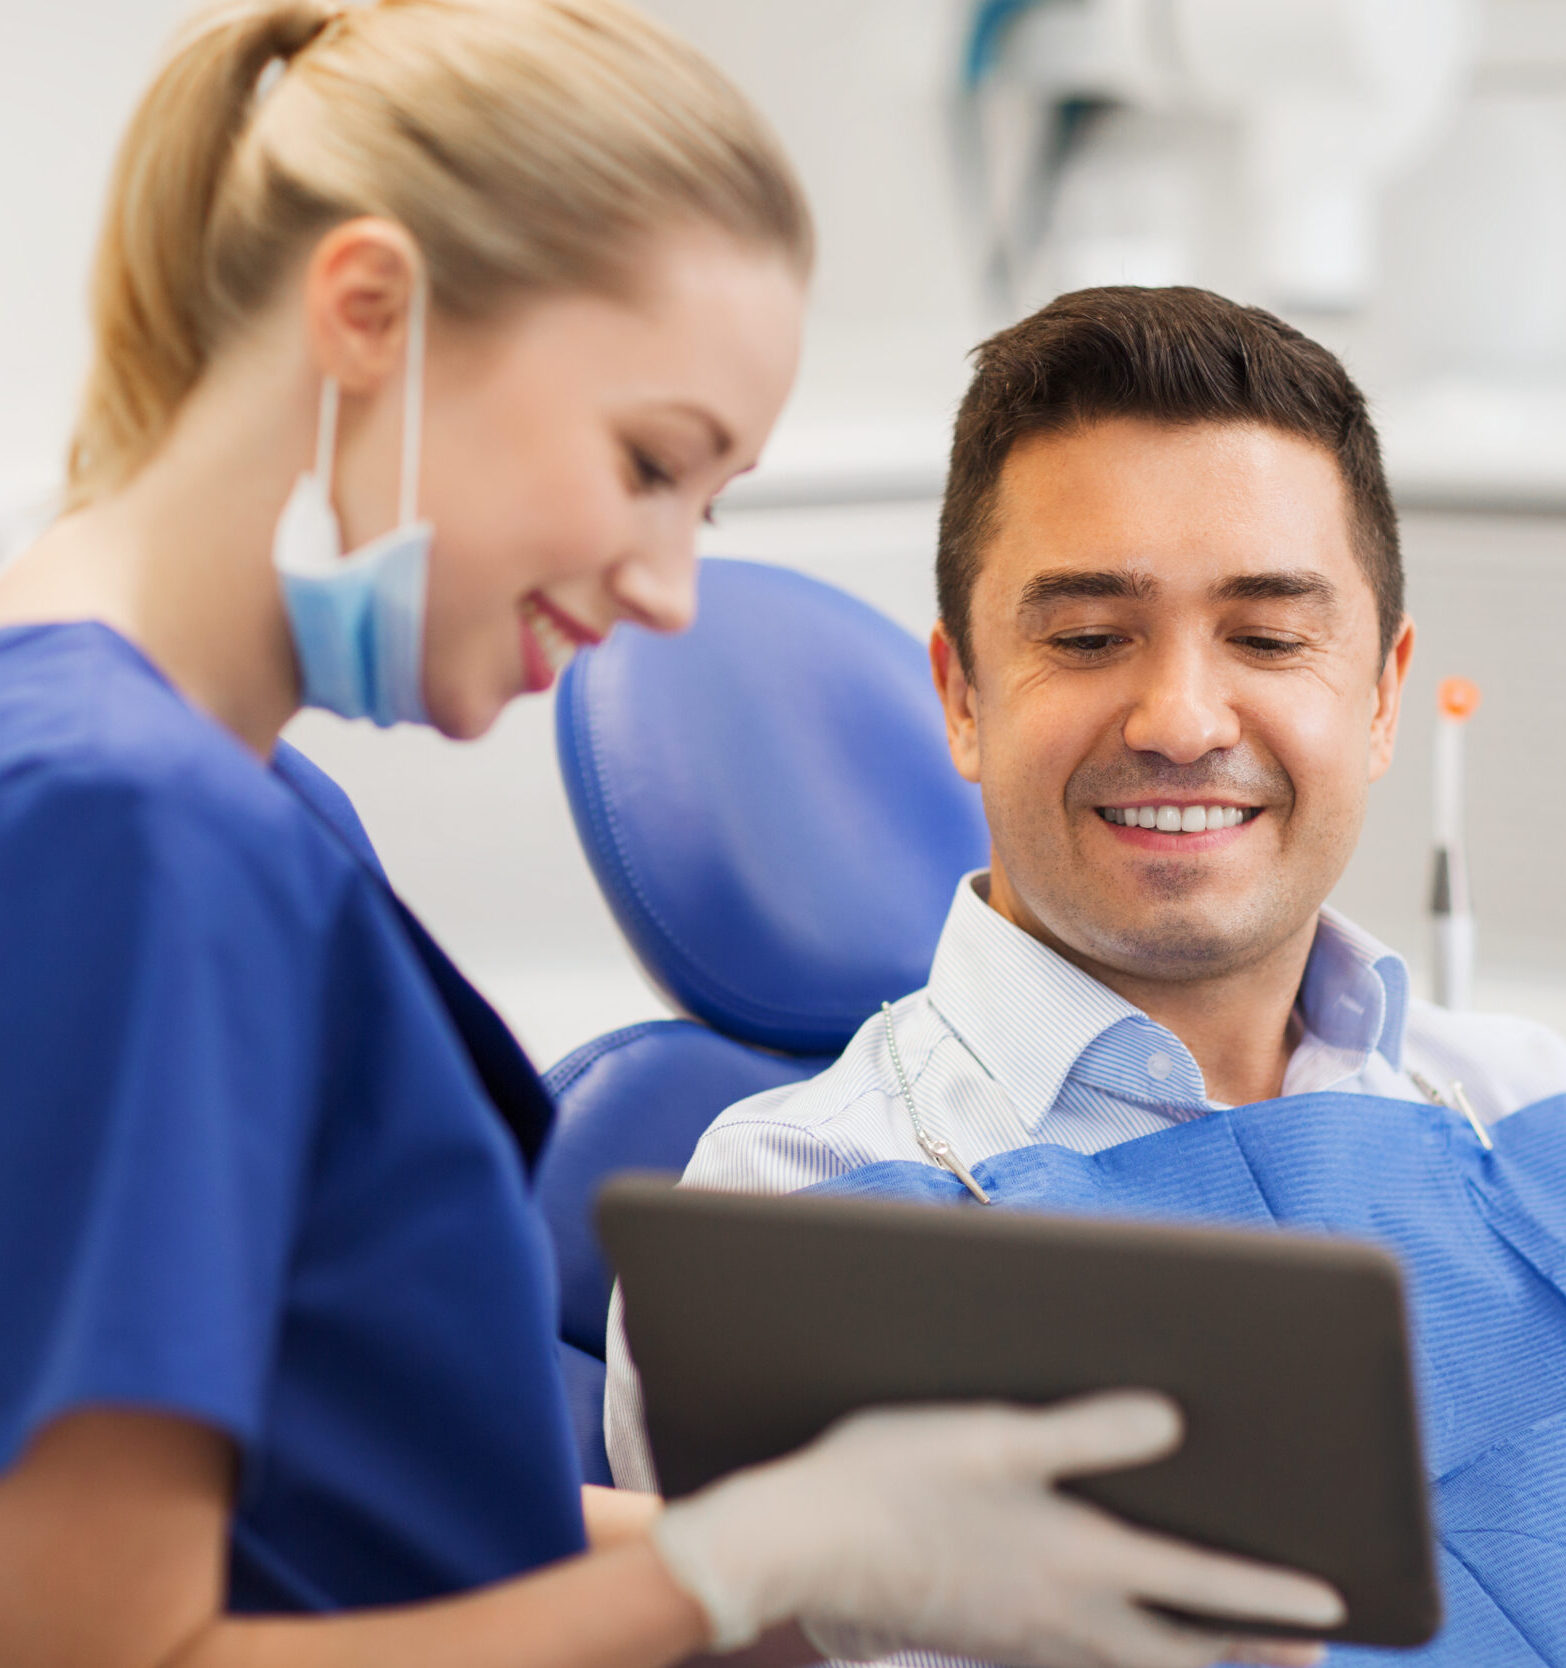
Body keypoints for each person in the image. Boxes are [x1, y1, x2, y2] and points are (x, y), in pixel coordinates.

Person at [0, 7, 1347, 1668]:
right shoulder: (131, 827)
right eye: (650, 463)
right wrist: (720, 1572)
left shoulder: (244, 803)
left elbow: (341, 1511)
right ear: (368, 315)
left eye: (700, 507)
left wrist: (856, 1551)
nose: (666, 591)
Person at [604, 287, 1566, 1666]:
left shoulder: (1520, 1107)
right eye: (1086, 635)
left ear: (1378, 700)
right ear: (961, 698)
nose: (1179, 719)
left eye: (1267, 635)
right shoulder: (804, 1208)